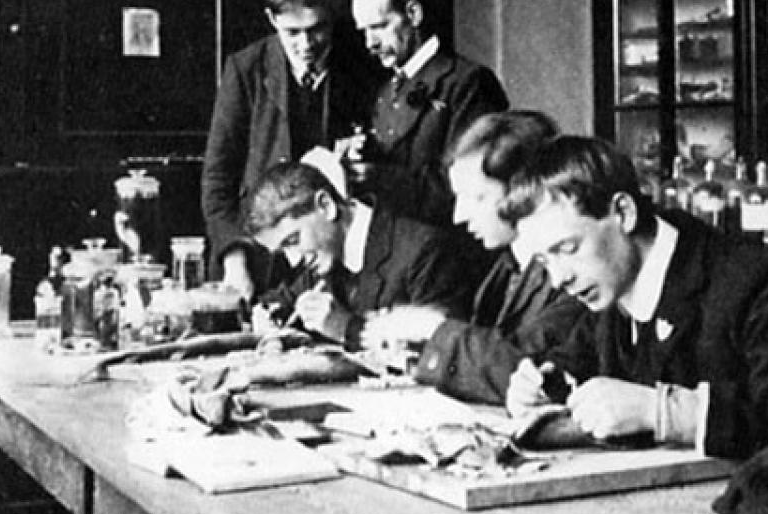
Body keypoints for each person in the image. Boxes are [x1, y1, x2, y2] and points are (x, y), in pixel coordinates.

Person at [503, 135, 768, 459]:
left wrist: (665, 412)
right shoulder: (612, 284)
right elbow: (575, 360)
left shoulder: (755, 280)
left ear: (623, 213)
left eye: (567, 248)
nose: (559, 277)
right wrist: (544, 382)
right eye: (543, 260)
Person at [363, 111, 583, 405]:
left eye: (476, 197)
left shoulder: (572, 273)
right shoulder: (505, 268)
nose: (458, 216)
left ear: (520, 193)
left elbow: (525, 368)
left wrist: (431, 329)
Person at [201, 0, 373, 298]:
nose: (306, 44)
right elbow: (217, 181)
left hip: (332, 257)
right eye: (293, 32)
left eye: (317, 29)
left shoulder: (361, 65)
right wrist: (234, 258)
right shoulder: (245, 69)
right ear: (271, 18)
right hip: (258, 259)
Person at [240, 154, 477, 350]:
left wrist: (347, 329)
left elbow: (445, 353)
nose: (293, 261)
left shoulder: (424, 251)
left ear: (326, 205)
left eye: (292, 240)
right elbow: (281, 300)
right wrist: (269, 315)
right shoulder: (323, 255)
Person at [349, 0, 509, 225]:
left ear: (413, 14)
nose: (370, 43)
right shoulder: (387, 91)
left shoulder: (467, 82)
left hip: (448, 246)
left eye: (379, 27)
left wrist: (375, 177)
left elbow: (467, 187)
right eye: (364, 31)